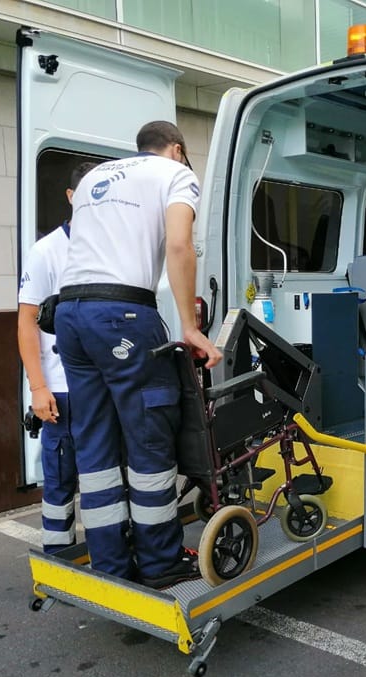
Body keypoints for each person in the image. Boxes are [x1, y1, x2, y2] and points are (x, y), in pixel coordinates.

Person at [55, 121, 222, 588]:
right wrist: (190, 327)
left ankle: (110, 563)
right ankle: (160, 562)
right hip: (123, 315)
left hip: (70, 315)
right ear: (177, 149)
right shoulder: (175, 174)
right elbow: (179, 245)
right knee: (149, 436)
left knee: (95, 442)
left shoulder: (94, 178)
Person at [17, 161, 98, 554]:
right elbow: (27, 321)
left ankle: (107, 557)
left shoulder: (110, 249)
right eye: (86, 196)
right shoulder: (46, 251)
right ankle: (58, 558)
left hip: (104, 386)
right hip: (62, 389)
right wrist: (37, 386)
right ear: (70, 198)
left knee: (106, 478)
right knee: (62, 479)